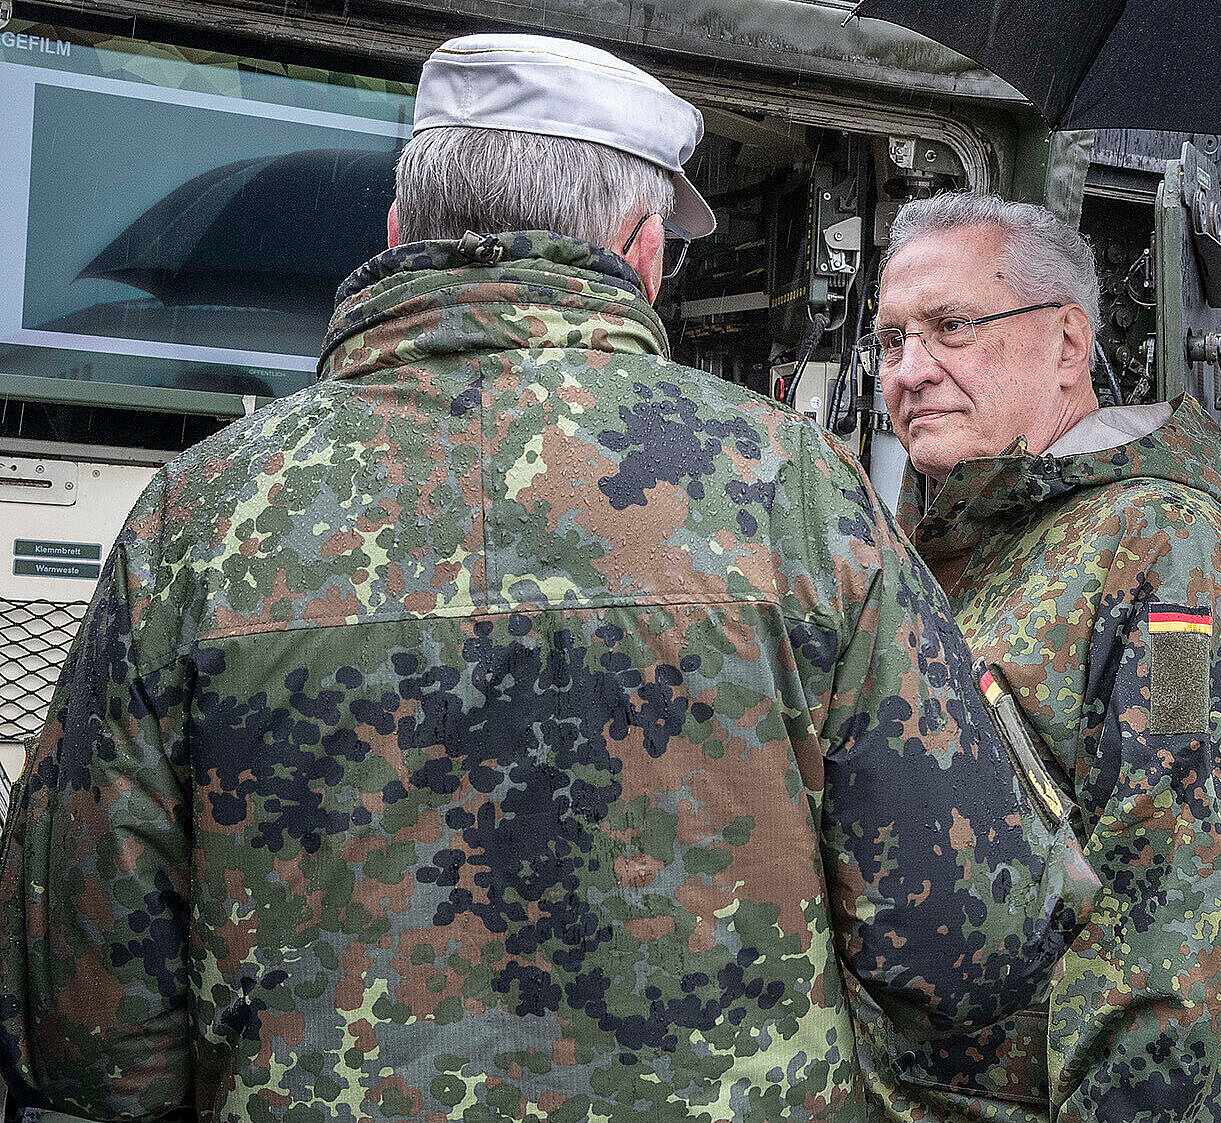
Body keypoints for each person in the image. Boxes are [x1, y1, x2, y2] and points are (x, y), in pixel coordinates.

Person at [0, 35, 1100, 1121]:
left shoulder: (191, 523)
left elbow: (86, 1035)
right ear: (644, 251)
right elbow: (975, 941)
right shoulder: (795, 494)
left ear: (394, 234)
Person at [851, 192, 1221, 1123]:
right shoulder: (956, 537)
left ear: (1066, 343)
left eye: (952, 327)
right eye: (893, 340)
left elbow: (1186, 868)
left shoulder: (1172, 552)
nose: (912, 370)